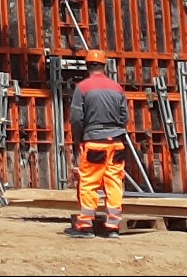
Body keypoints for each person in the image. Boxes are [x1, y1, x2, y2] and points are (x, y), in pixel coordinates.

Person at [66, 49, 128, 239]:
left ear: (88, 66)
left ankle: (85, 225)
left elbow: (76, 119)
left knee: (89, 183)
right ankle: (113, 227)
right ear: (104, 65)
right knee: (114, 183)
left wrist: (79, 140)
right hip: (116, 143)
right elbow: (124, 117)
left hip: (94, 142)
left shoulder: (83, 88)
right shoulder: (117, 88)